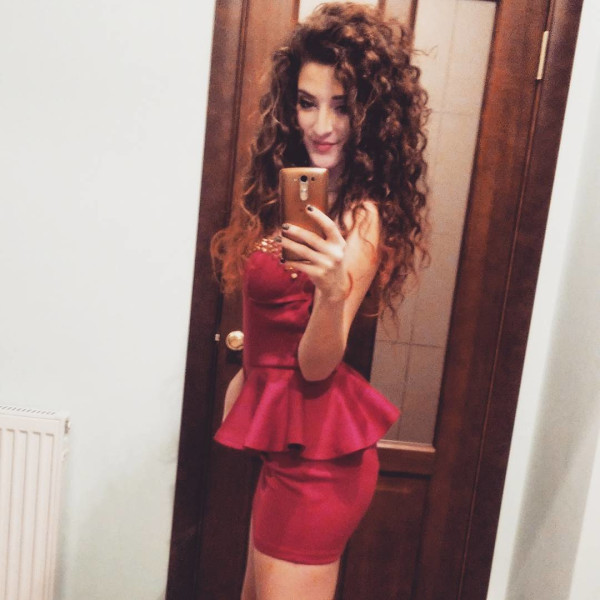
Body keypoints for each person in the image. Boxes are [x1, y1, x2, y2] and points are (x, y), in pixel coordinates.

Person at [210, 3, 429, 598]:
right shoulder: (301, 196)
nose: (322, 125)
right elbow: (272, 324)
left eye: (343, 106)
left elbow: (315, 365)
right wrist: (248, 381)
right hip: (285, 450)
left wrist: (333, 293)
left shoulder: (361, 216)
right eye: (308, 103)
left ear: (370, 114)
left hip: (318, 465)